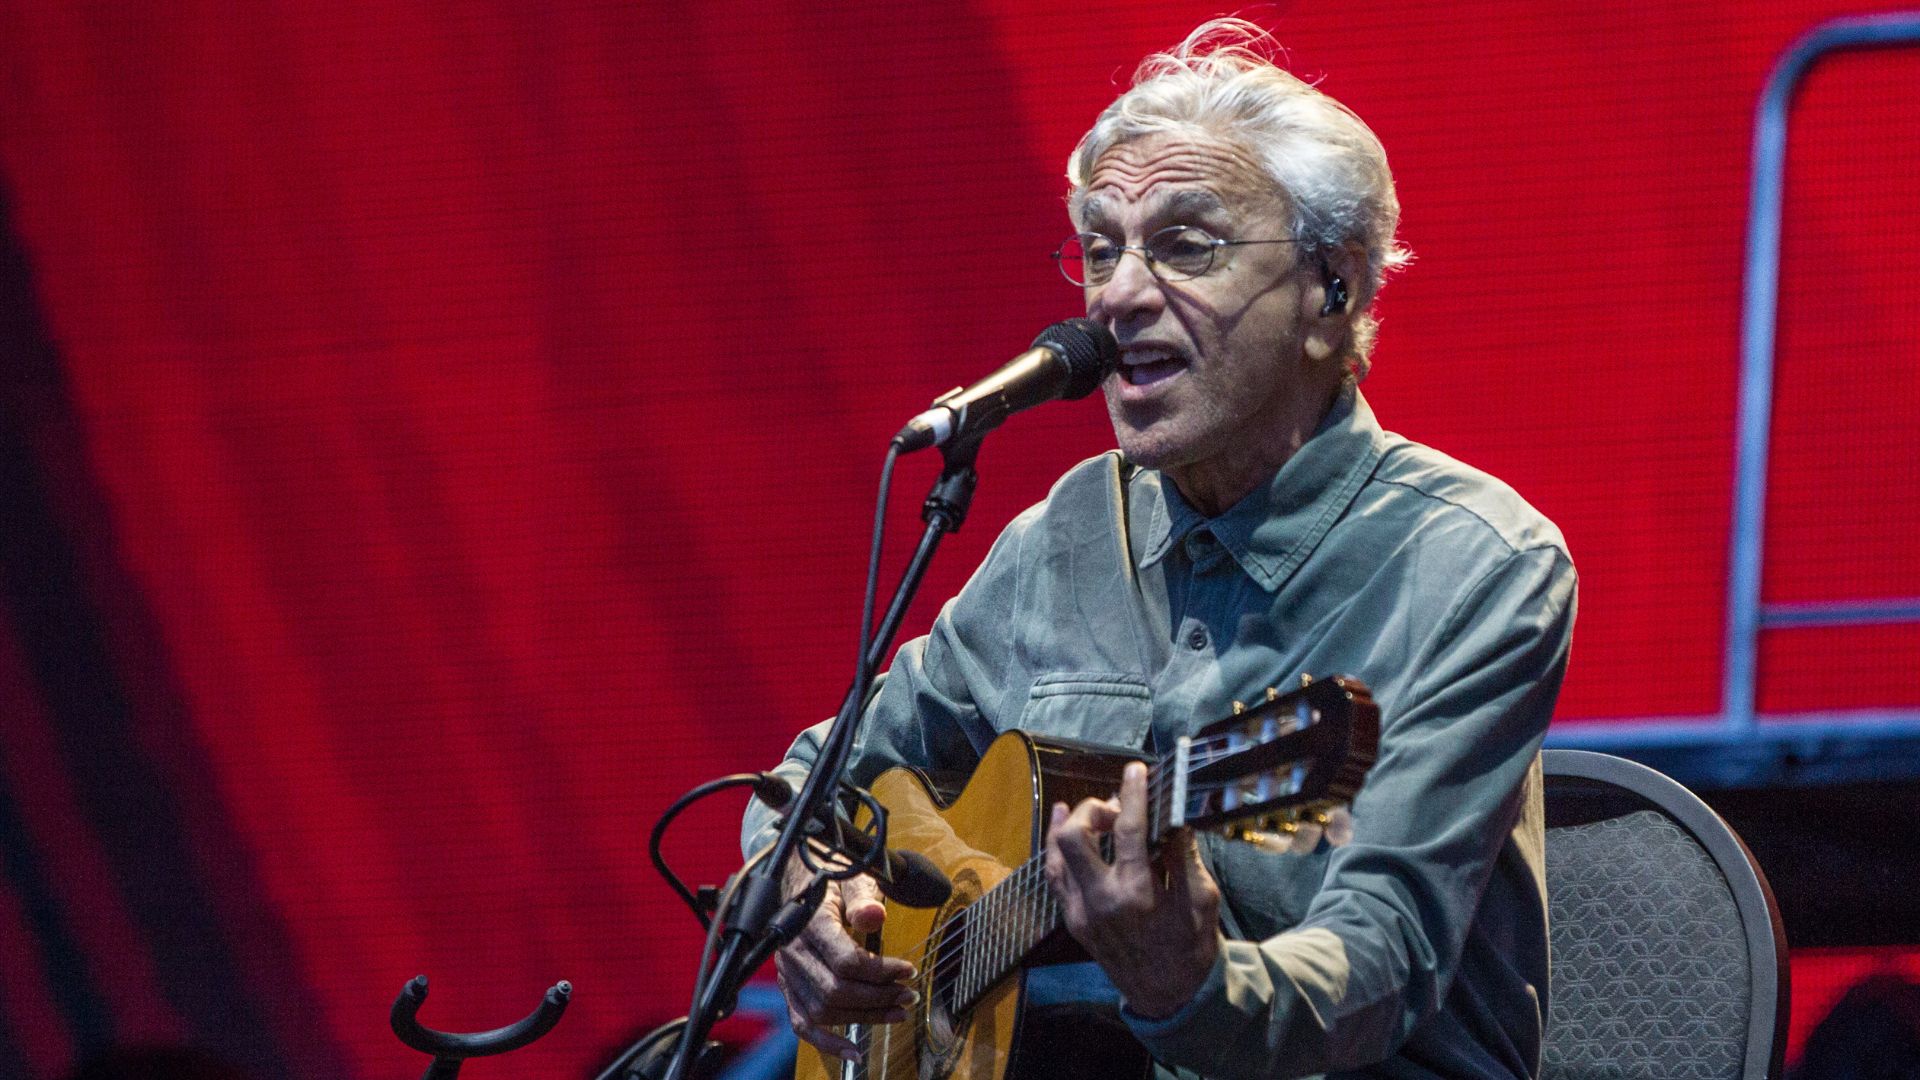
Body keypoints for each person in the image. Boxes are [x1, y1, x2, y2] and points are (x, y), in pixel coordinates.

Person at [744, 18, 1576, 1080]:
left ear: (1334, 290)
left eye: (1186, 245)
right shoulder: (1068, 534)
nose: (1119, 296)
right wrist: (798, 892)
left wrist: (1190, 988)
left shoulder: (1477, 565)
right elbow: (813, 782)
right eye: (1102, 249)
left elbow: (1379, 962)